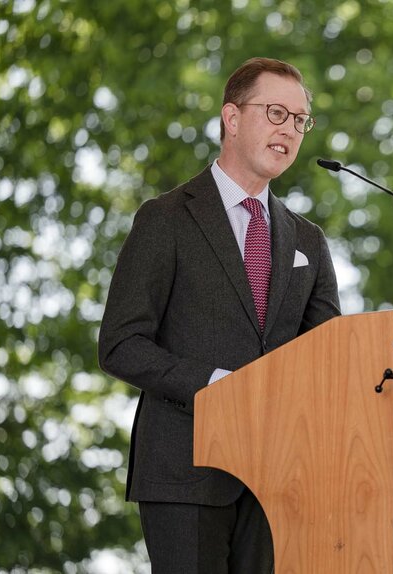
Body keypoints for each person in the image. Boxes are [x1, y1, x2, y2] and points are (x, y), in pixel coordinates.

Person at [98, 57, 340, 573]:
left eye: (300, 120)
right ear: (231, 118)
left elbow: (327, 358)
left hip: (277, 479)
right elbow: (121, 344)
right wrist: (217, 384)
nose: (290, 130)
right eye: (276, 112)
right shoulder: (164, 218)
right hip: (185, 468)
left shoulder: (308, 242)